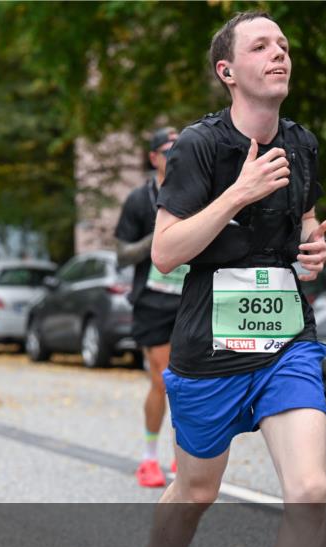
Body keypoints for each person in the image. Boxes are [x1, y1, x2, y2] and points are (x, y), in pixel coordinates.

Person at [131, 12, 326, 547]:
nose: (279, 52)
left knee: (308, 488)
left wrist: (313, 249)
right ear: (229, 72)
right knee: (196, 491)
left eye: (282, 43)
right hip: (209, 350)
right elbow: (164, 252)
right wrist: (237, 193)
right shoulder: (199, 147)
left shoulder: (301, 144)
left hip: (285, 344)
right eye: (261, 46)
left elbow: (302, 225)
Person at [115, 127, 183, 487]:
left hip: (192, 299)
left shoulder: (201, 194)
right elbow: (122, 254)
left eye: (181, 150)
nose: (175, 156)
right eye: (168, 150)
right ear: (154, 157)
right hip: (153, 300)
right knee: (162, 379)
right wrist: (156, 238)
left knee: (188, 383)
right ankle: (149, 458)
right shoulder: (140, 200)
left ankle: (183, 458)